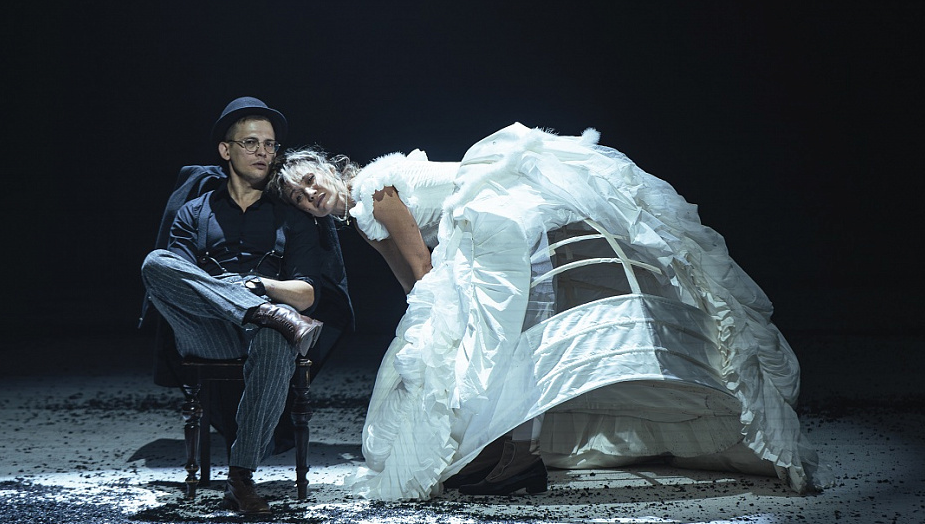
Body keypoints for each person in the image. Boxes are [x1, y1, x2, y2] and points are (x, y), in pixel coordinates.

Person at [270, 122, 821, 501]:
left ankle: (520, 457)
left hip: (499, 228)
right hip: (484, 239)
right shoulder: (363, 217)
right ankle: (498, 451)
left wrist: (430, 321)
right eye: (299, 197)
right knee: (467, 343)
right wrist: (424, 320)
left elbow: (421, 267)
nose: (310, 194)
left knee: (494, 343)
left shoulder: (375, 188)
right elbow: (410, 278)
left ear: (327, 168)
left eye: (309, 180)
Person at [141, 96, 349, 517]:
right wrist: (244, 301)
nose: (262, 152)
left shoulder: (292, 217)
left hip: (267, 330)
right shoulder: (193, 211)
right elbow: (174, 278)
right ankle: (256, 310)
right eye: (251, 143)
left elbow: (307, 294)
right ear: (226, 150)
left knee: (276, 339)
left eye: (269, 145)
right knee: (155, 263)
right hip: (207, 329)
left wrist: (258, 285)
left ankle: (240, 478)